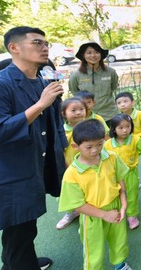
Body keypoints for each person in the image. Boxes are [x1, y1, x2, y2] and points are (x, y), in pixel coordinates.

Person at [0, 26, 67, 270]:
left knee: (24, 225)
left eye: (46, 43)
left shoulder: (40, 81)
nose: (45, 47)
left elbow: (50, 125)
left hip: (32, 164)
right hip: (7, 172)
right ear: (14, 48)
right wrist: (42, 103)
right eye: (37, 42)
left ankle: (14, 263)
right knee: (19, 228)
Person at [58, 119, 132, 270]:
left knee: (119, 241)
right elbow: (78, 205)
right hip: (92, 216)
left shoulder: (111, 157)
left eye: (99, 144)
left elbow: (121, 185)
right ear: (75, 146)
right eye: (88, 147)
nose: (95, 150)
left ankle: (120, 264)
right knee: (93, 250)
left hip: (115, 207)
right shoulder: (72, 174)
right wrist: (104, 215)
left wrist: (123, 206)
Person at [105, 114, 141, 230]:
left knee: (132, 195)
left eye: (128, 126)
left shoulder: (134, 139)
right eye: (120, 128)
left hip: (130, 174)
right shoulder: (108, 144)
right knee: (116, 195)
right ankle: (118, 213)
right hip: (114, 176)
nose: (125, 130)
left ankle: (132, 215)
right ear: (113, 129)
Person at [115, 91, 141, 201]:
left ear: (133, 102)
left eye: (125, 101)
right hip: (129, 144)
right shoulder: (119, 118)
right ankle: (135, 182)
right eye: (119, 103)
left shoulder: (140, 115)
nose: (122, 104)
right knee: (129, 166)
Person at [56, 97, 88, 230]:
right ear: (63, 113)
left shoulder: (89, 126)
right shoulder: (62, 131)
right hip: (70, 168)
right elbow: (60, 151)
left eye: (81, 109)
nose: (78, 113)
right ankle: (71, 211)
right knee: (70, 191)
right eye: (73, 110)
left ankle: (90, 214)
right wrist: (66, 166)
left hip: (89, 166)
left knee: (88, 190)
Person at [69, 42, 119, 122]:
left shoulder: (110, 72)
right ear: (83, 55)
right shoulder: (76, 75)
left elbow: (114, 87)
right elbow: (75, 92)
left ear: (101, 54)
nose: (93, 55)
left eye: (96, 52)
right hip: (87, 116)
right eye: (89, 53)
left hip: (109, 115)